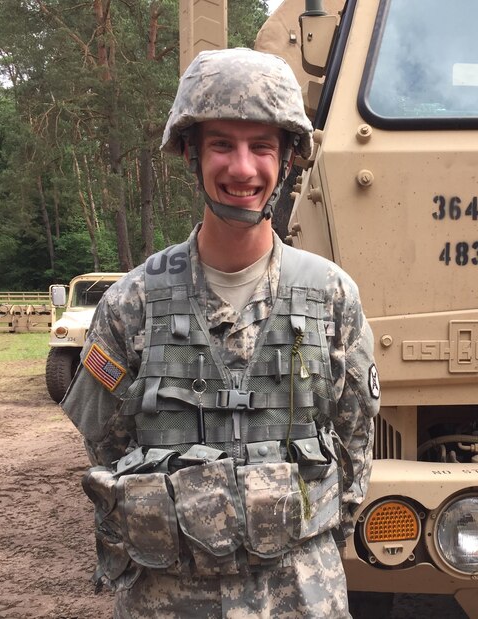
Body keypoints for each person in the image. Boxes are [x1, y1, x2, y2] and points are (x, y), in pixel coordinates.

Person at [61, 48, 380, 618]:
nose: (242, 168)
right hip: (168, 598)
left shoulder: (332, 296)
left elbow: (354, 447)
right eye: (221, 145)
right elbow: (106, 452)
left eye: (261, 146)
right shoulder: (131, 303)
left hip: (301, 596)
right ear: (191, 153)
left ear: (286, 160)